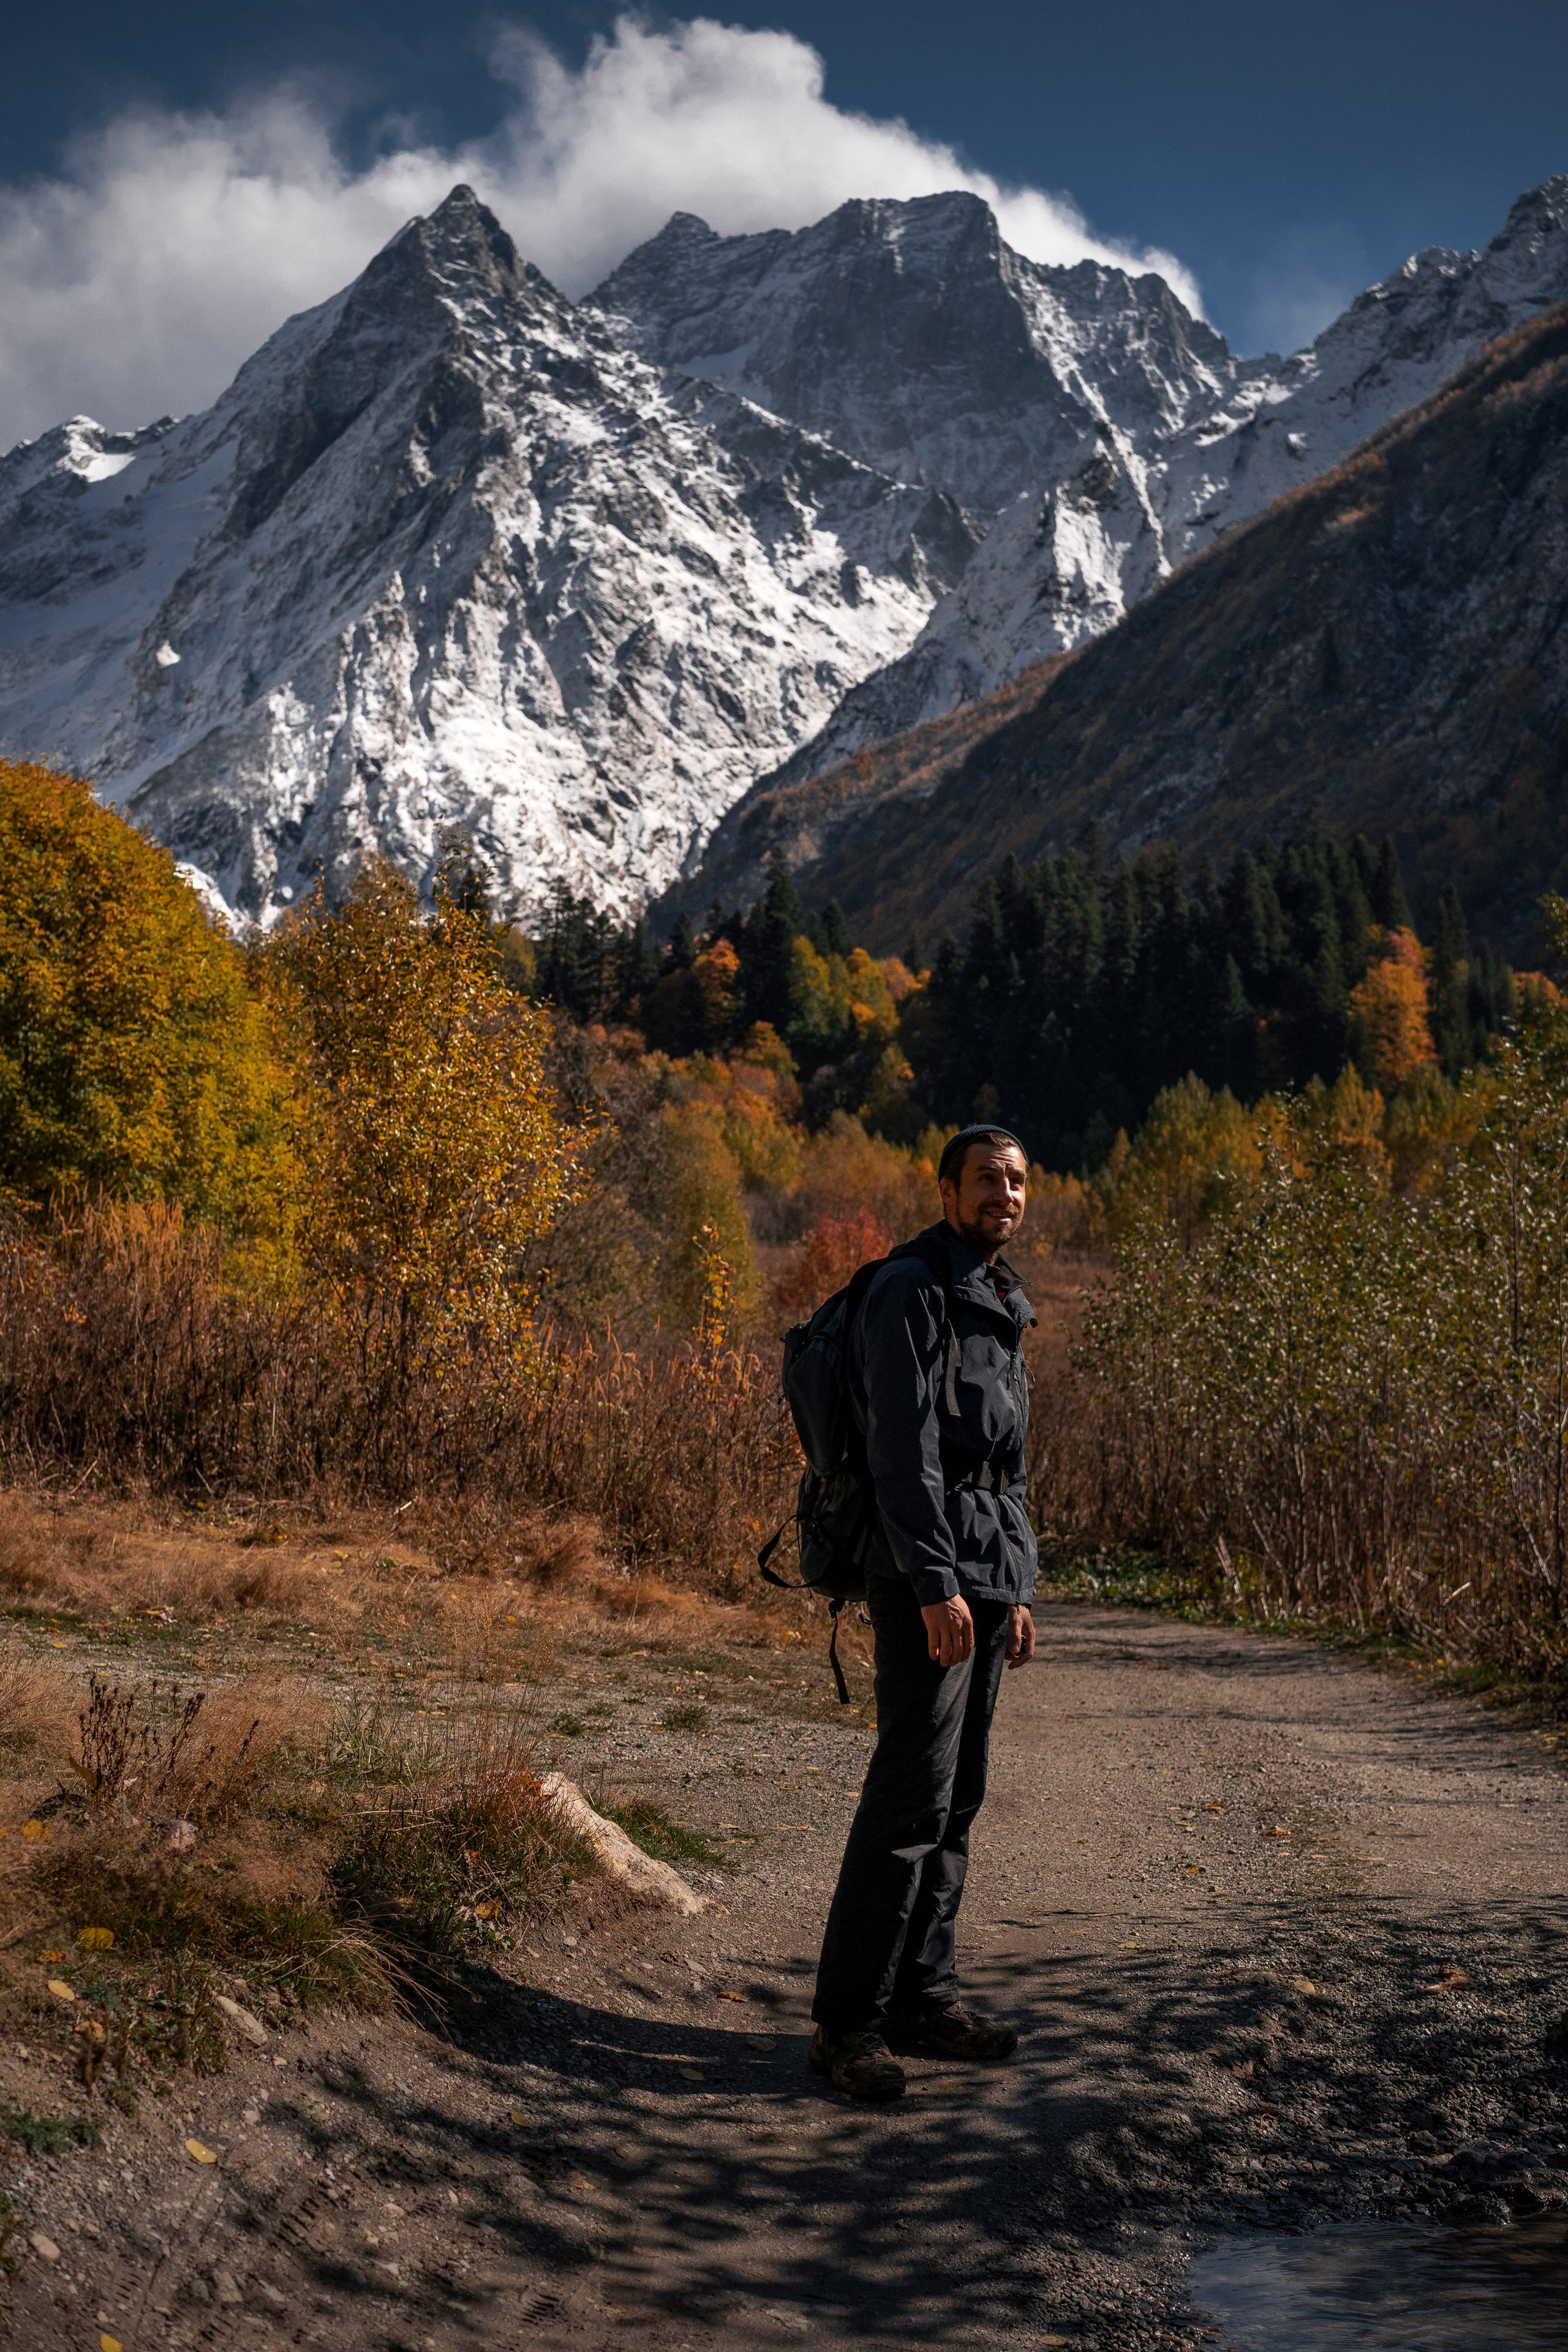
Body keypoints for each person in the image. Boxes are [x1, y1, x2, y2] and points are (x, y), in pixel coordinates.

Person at [810, 1125, 1038, 2101]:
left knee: (959, 1797)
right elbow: (902, 1452)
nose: (1004, 1195)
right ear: (946, 1190)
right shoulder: (911, 1289)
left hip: (985, 1572)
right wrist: (936, 1583)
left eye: (1016, 1182)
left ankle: (923, 1997)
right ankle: (847, 2026)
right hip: (925, 1576)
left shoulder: (999, 1297)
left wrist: (1015, 1589)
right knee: (910, 1796)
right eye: (986, 1179)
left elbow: (1007, 1465)